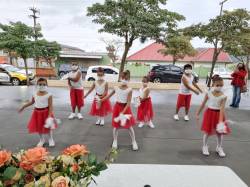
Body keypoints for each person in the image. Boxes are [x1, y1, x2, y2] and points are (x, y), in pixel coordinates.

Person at [101, 70, 138, 151]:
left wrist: (123, 112)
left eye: (126, 78)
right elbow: (108, 96)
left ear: (129, 79)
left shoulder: (129, 90)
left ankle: (134, 141)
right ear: (121, 78)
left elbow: (128, 103)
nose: (124, 80)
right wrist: (101, 100)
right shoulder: (116, 88)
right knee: (116, 126)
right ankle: (115, 140)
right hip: (117, 108)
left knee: (129, 127)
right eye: (123, 78)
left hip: (125, 109)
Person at [196, 75, 230, 157]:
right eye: (217, 85)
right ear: (213, 85)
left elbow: (222, 109)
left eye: (221, 85)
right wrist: (197, 113)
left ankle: (219, 147)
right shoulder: (209, 93)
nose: (219, 87)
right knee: (207, 132)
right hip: (209, 114)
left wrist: (221, 121)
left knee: (220, 133)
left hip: (219, 114)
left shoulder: (224, 96)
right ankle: (204, 146)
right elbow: (203, 104)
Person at [18, 78, 57, 147]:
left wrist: (49, 116)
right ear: (37, 85)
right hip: (37, 113)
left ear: (46, 85)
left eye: (44, 84)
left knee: (48, 127)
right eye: (40, 84)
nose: (42, 86)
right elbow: (32, 102)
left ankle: (50, 139)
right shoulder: (34, 93)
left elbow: (50, 106)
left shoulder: (49, 95)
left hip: (46, 112)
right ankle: (42, 140)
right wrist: (23, 106)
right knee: (39, 127)